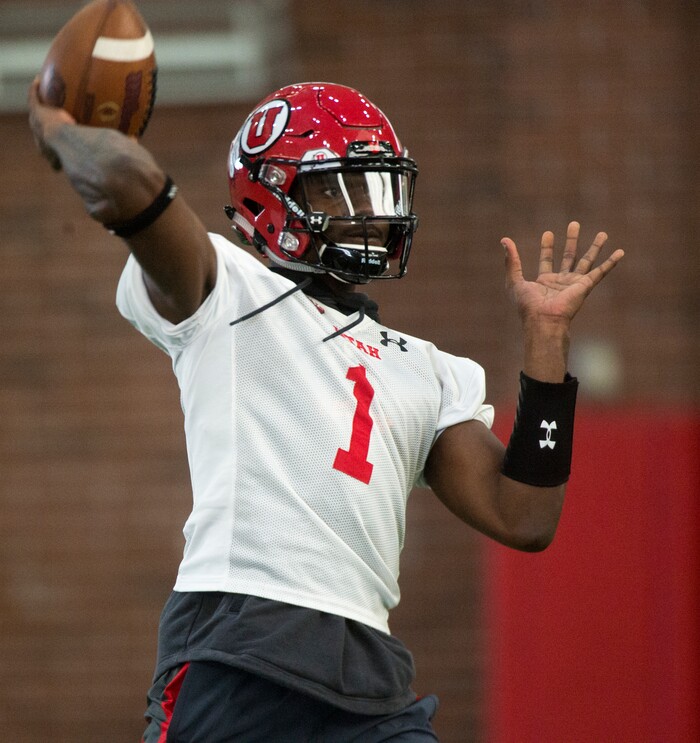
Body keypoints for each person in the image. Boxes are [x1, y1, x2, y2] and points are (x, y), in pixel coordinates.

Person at [28, 79, 624, 742]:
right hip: (239, 643)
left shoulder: (427, 367)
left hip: (369, 672)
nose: (370, 211)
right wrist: (57, 127)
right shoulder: (226, 290)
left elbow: (526, 515)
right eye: (341, 188)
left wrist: (546, 341)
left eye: (376, 187)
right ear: (270, 194)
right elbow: (130, 185)